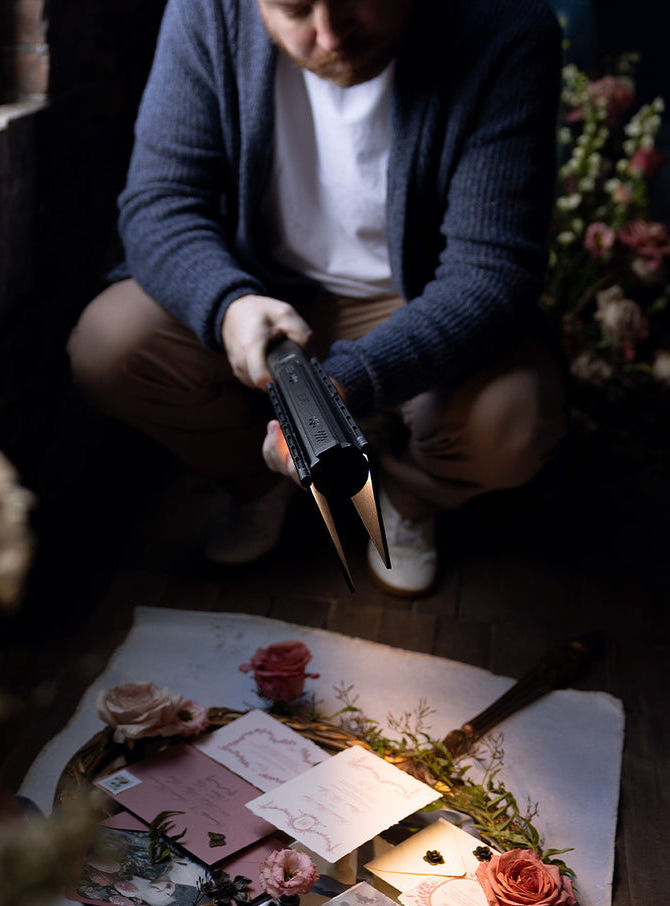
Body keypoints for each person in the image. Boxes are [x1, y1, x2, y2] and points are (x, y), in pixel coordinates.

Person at [67, 0, 567, 597]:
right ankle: (258, 485)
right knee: (109, 348)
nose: (329, 33)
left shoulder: (506, 25)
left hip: (415, 301)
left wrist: (344, 384)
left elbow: (492, 273)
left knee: (513, 419)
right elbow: (160, 203)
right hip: (262, 291)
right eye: (295, 6)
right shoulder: (205, 11)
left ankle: (407, 501)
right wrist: (227, 304)